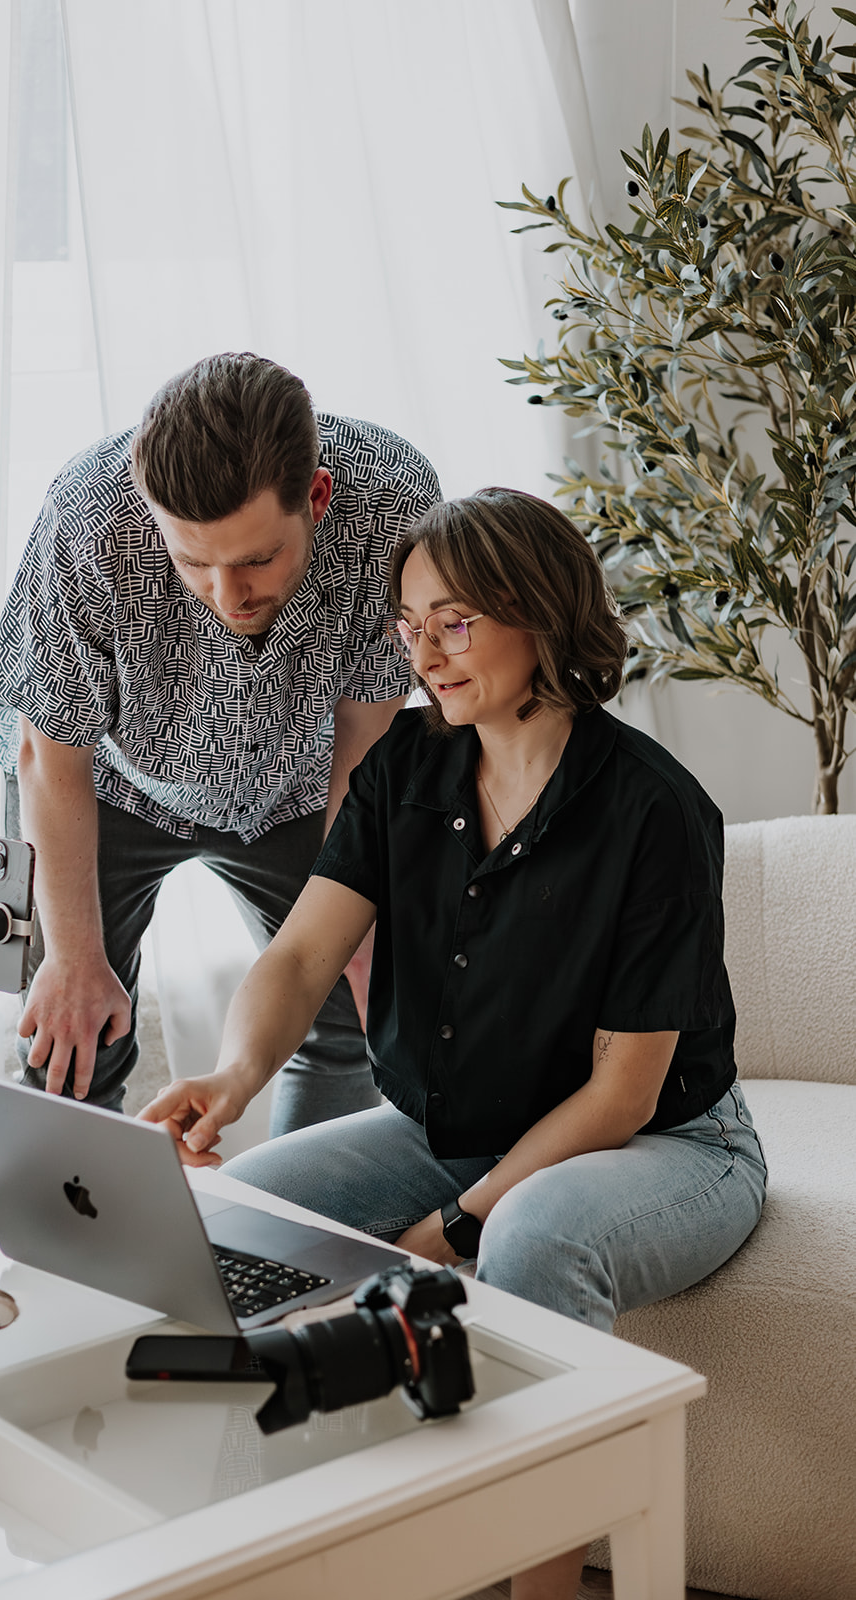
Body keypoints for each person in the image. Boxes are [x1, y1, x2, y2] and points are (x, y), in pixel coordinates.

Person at [140, 487, 768, 1600]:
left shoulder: (652, 810)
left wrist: (458, 1223)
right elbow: (302, 953)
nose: (425, 654)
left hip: (668, 1142)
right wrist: (234, 1076)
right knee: (230, 1216)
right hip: (451, 1122)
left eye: (456, 622)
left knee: (531, 1236)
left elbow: (622, 1094)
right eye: (410, 625)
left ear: (540, 614)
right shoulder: (406, 767)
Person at [0, 352, 440, 1130]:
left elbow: (367, 732)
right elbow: (48, 755)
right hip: (101, 784)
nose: (227, 595)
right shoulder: (87, 519)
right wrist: (73, 956)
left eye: (258, 559)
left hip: (296, 781)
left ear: (317, 496)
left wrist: (356, 919)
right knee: (70, 1032)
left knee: (343, 1015)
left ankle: (296, 1208)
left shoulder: (393, 503)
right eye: (193, 561)